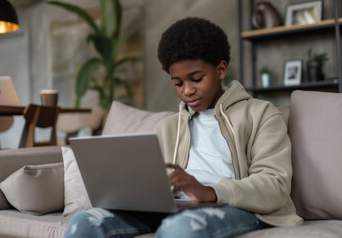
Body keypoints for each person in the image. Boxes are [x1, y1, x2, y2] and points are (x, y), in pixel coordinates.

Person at [64, 17, 303, 238]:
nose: (187, 91)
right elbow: (155, 183)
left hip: (237, 207)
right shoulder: (167, 127)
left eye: (196, 79)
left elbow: (275, 185)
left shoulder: (261, 114)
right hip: (174, 208)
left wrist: (209, 191)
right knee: (85, 221)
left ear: (221, 70)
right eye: (177, 83)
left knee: (181, 228)